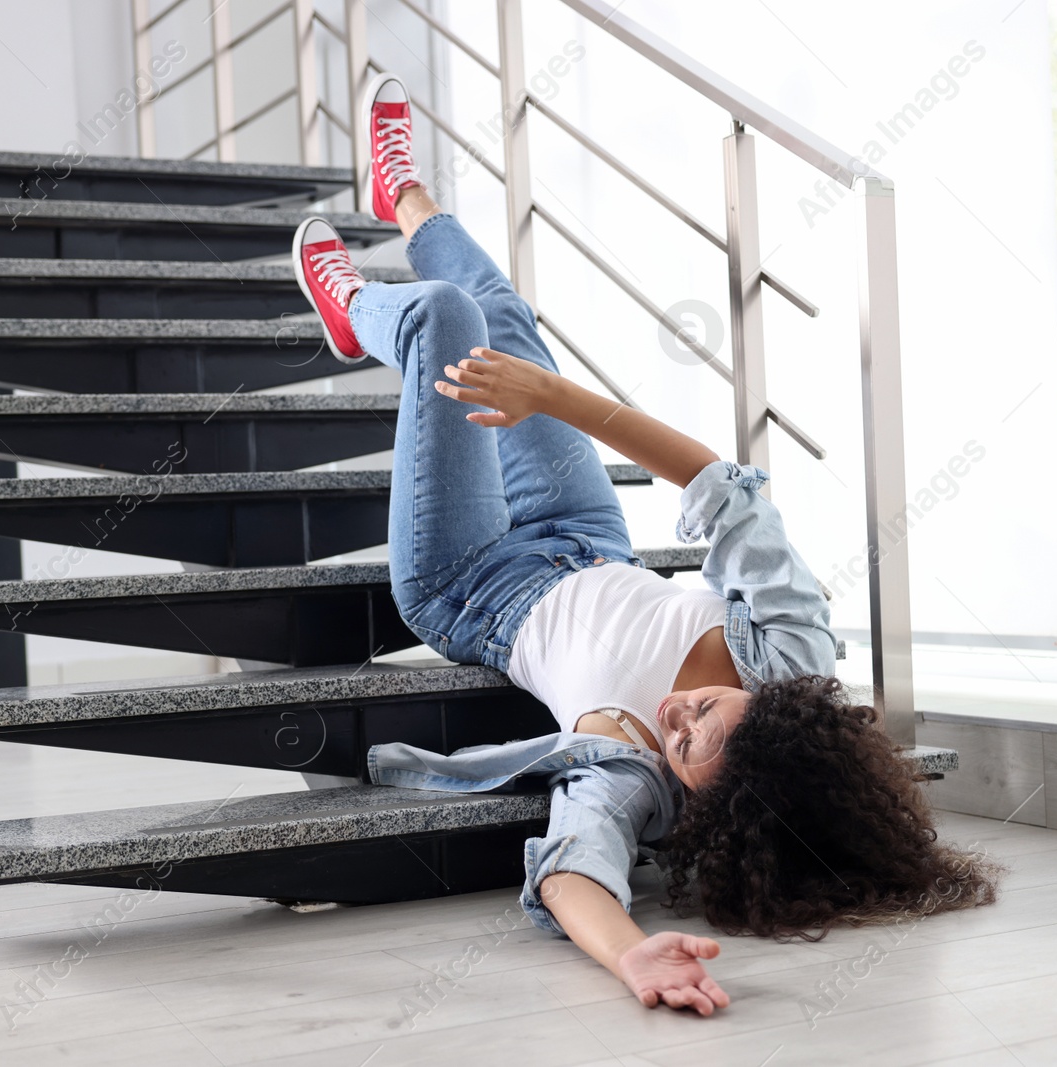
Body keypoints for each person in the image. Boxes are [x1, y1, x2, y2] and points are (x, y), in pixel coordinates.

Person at [292, 73, 999, 1017]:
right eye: (710, 714)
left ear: (710, 809)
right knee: (505, 321)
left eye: (690, 745)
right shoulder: (788, 652)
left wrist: (631, 955)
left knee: (448, 323)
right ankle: (404, 198)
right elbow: (721, 485)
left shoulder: (635, 777)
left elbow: (574, 872)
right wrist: (556, 400)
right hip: (584, 533)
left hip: (471, 585)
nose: (678, 714)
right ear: (779, 713)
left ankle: (355, 313)